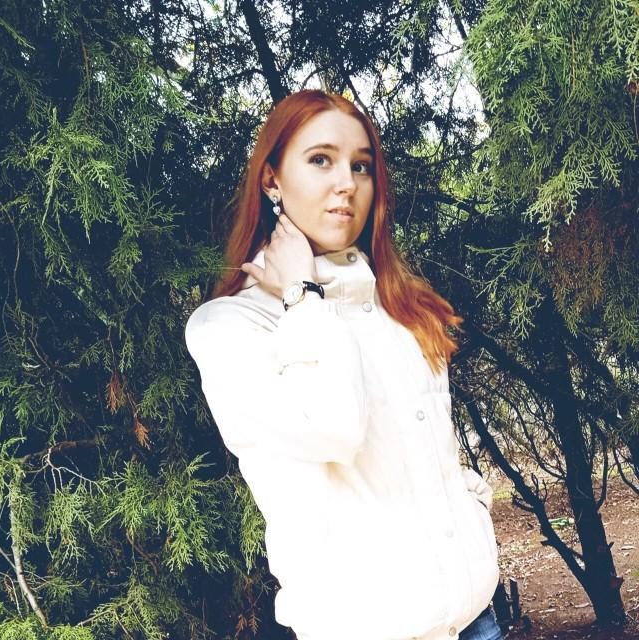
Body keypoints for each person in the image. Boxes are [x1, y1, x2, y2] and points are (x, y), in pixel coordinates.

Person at [184, 89, 503, 640]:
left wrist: (469, 511)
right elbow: (334, 428)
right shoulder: (230, 327)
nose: (347, 183)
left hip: (476, 618)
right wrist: (303, 295)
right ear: (272, 179)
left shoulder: (400, 307)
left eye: (361, 165)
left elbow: (431, 449)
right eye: (320, 160)